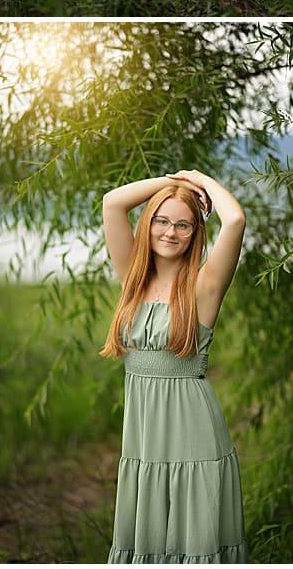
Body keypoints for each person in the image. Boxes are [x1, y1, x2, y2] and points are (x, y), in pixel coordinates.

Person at [101, 171, 246, 562]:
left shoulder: (205, 286)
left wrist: (201, 180)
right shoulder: (132, 277)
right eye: (162, 220)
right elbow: (113, 202)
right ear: (148, 224)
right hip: (145, 437)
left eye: (183, 224)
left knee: (193, 541)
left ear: (195, 232)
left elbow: (234, 220)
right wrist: (174, 181)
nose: (170, 232)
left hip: (194, 434)